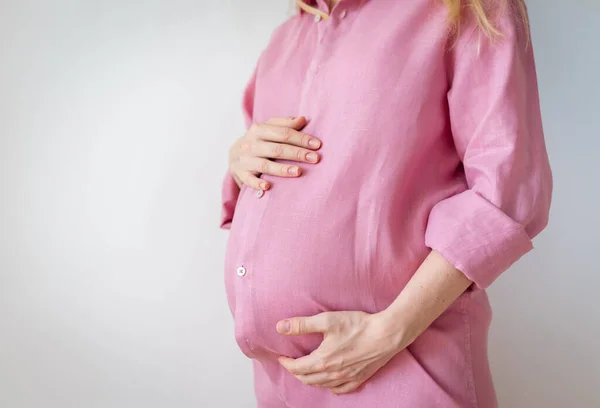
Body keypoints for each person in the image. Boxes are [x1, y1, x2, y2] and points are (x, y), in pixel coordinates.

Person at [218, 0, 553, 406]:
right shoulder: (285, 39)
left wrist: (389, 332)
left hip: (404, 367)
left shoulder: (465, 9)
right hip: (281, 382)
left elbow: (506, 190)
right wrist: (239, 160)